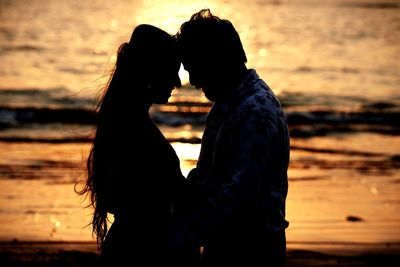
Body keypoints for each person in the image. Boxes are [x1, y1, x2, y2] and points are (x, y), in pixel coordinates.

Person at [173, 9, 290, 266]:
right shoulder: (228, 103)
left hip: (251, 251)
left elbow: (237, 195)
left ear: (216, 59)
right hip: (226, 243)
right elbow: (208, 178)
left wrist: (181, 235)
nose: (192, 81)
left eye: (195, 68)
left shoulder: (256, 111)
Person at [75, 24, 187, 265]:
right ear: (151, 73)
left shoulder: (124, 119)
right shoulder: (135, 129)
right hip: (141, 252)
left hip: (132, 246)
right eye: (171, 72)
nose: (177, 83)